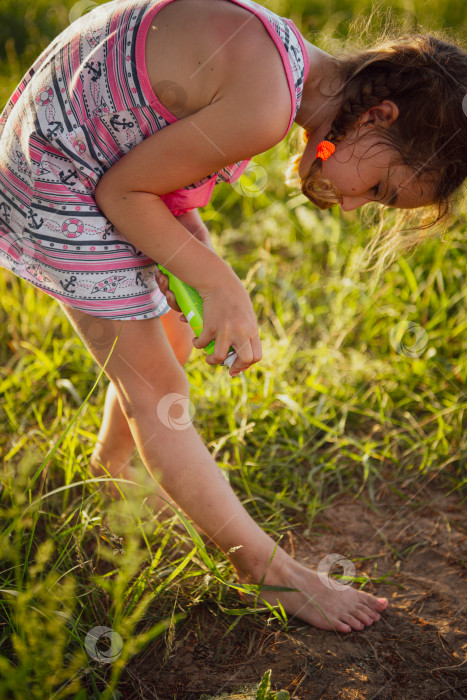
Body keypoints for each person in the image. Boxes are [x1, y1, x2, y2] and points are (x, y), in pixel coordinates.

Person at [0, 0, 465, 633]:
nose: (354, 206)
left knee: (167, 330)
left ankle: (115, 469)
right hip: (62, 177)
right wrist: (220, 283)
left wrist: (198, 263)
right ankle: (270, 573)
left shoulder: (289, 60)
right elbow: (119, 192)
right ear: (379, 116)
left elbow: (145, 149)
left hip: (80, 146)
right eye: (380, 188)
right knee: (156, 391)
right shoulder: (267, 108)